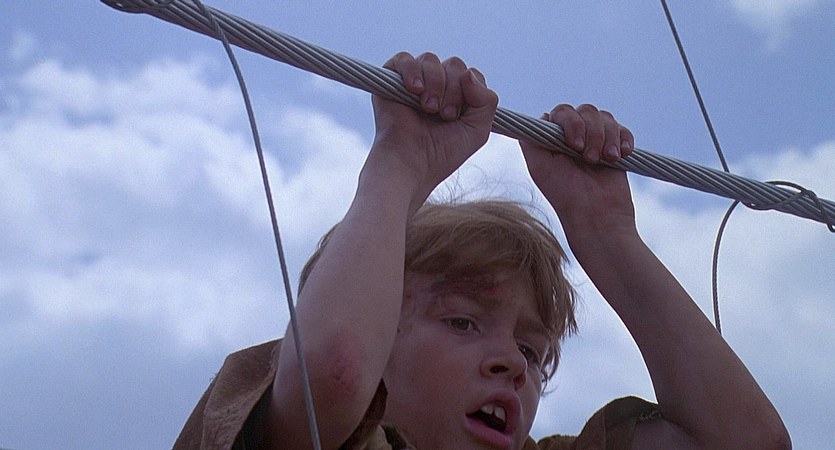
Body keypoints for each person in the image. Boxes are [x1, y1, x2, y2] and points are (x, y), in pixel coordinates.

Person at [174, 52, 790, 449]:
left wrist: (607, 233)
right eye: (462, 322)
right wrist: (400, 163)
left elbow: (749, 444)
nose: (512, 365)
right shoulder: (294, 418)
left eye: (531, 350)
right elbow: (333, 373)